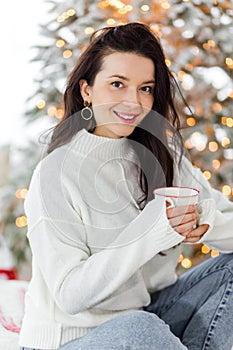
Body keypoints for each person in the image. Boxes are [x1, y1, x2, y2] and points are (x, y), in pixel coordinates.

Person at [19, 22, 233, 350]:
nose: (133, 102)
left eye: (145, 88)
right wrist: (153, 227)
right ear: (86, 90)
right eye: (117, 84)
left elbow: (219, 218)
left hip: (149, 315)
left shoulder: (163, 153)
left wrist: (204, 222)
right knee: (138, 327)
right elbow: (71, 295)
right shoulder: (55, 173)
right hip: (74, 339)